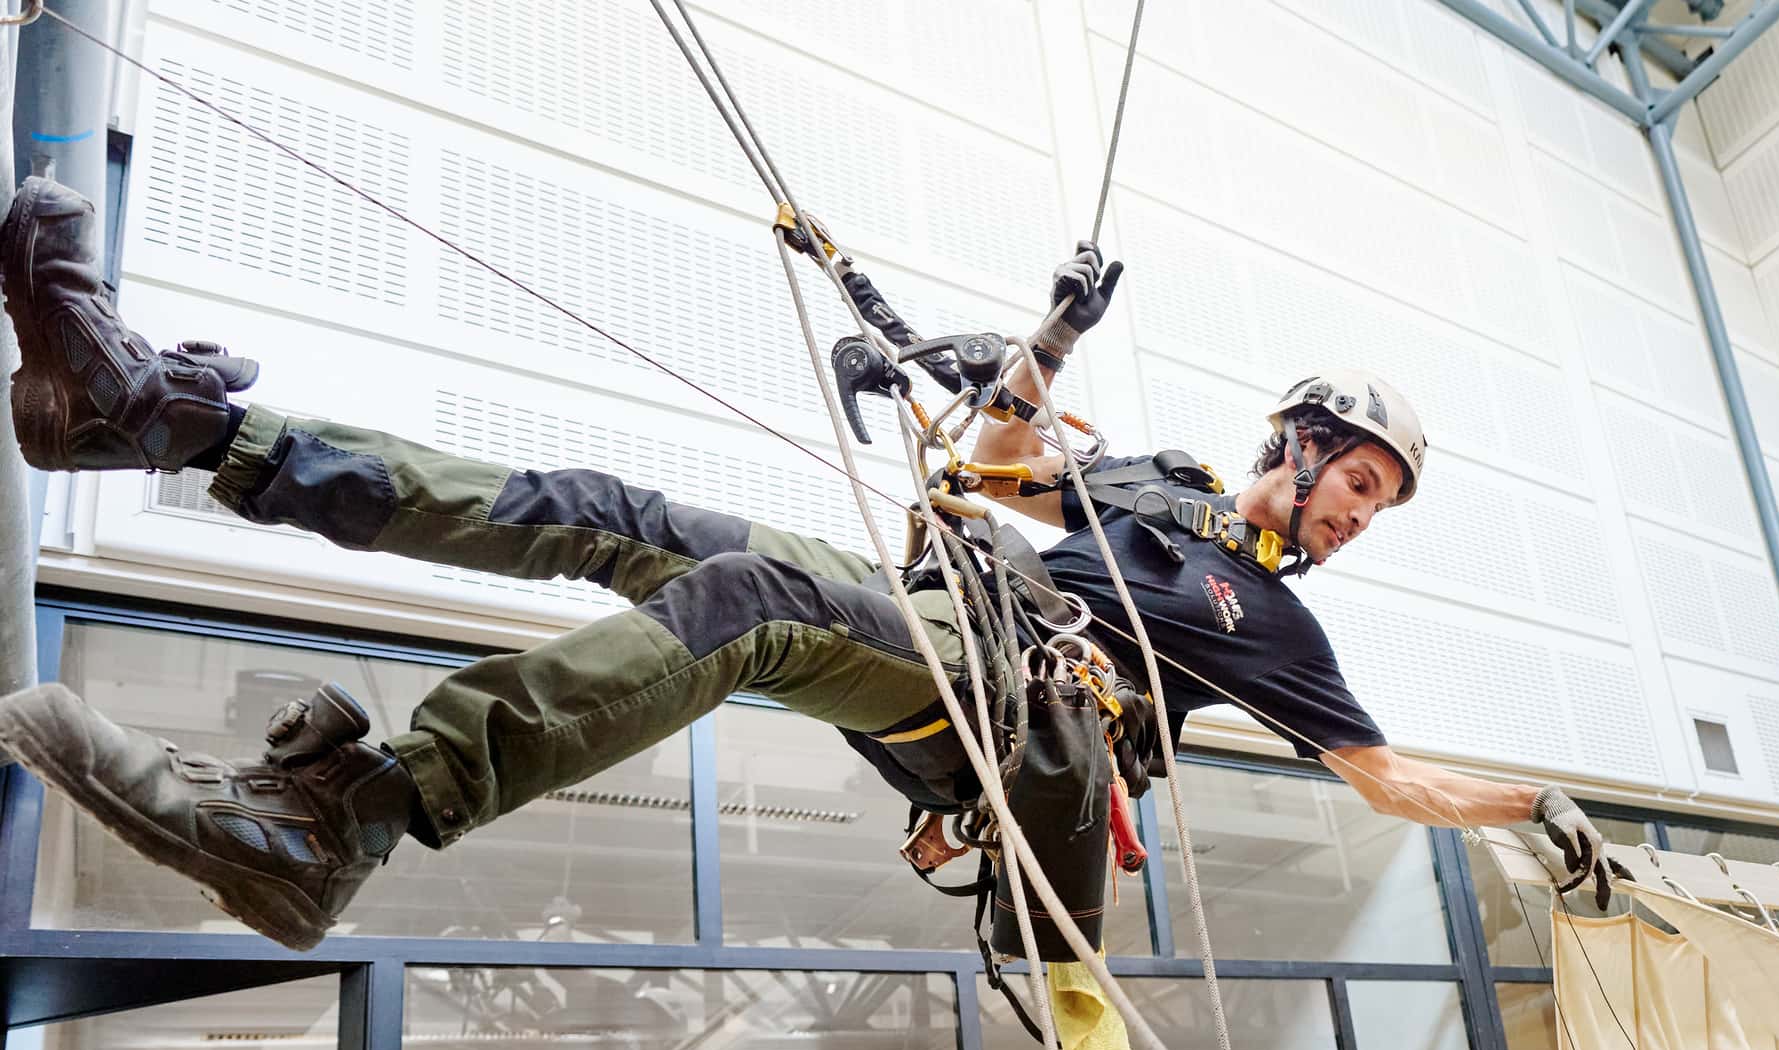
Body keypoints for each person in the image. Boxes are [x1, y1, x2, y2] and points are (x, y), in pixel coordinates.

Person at [0, 179, 1604, 950]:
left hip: (1011, 714)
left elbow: (1391, 780)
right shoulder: (1168, 491)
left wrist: (1533, 808)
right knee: (608, 511)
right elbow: (993, 462)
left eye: (1380, 508)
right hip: (939, 611)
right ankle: (165, 427)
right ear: (1303, 441)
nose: (1360, 519)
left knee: (750, 613)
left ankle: (339, 819)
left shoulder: (1277, 629)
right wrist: (1048, 330)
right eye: (1364, 485)